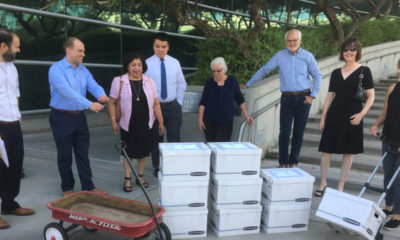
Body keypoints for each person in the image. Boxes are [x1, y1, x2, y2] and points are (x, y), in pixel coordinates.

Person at [241, 29, 321, 168]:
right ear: (285, 42)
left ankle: (293, 162)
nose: (292, 43)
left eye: (294, 40)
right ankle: (283, 162)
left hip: (304, 98)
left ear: (300, 41)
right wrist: (248, 84)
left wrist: (312, 96)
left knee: (299, 132)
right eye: (289, 41)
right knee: (284, 132)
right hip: (287, 99)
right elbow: (265, 69)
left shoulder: (308, 56)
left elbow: (317, 76)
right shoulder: (280, 56)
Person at [48, 37, 108, 197]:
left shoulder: (83, 70)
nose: (84, 54)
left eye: (83, 50)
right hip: (61, 117)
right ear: (69, 50)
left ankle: (88, 187)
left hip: (79, 117)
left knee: (83, 154)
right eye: (80, 50)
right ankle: (67, 188)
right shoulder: (56, 69)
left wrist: (101, 94)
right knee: (65, 155)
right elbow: (67, 92)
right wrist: (89, 104)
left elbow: (93, 85)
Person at [315, 37, 375, 196]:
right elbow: (329, 97)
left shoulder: (364, 71)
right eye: (346, 49)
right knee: (326, 152)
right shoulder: (335, 73)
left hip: (353, 116)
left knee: (348, 153)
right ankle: (322, 182)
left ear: (357, 51)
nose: (349, 52)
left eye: (352, 49)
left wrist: (361, 115)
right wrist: (323, 117)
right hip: (334, 115)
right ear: (342, 52)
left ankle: (341, 186)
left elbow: (371, 97)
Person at [108, 52, 164, 192]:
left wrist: (161, 121)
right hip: (128, 123)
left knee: (144, 151)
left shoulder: (149, 81)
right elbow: (112, 102)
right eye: (133, 65)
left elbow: (156, 103)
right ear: (127, 66)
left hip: (146, 123)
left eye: (139, 65)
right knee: (128, 152)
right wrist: (113, 120)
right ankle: (127, 178)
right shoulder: (119, 81)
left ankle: (140, 176)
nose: (136, 68)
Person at [0, 29, 35, 230]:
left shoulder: (12, 68)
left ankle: (9, 204)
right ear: (3, 46)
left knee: (14, 167)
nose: (19, 49)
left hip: (14, 124)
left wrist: (18, 114)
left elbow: (16, 92)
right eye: (16, 45)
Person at [145, 32, 187, 177]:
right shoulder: (147, 64)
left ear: (168, 47)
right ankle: (157, 166)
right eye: (157, 46)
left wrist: (179, 103)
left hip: (173, 106)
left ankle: (174, 166)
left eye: (163, 46)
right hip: (154, 108)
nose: (160, 49)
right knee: (155, 139)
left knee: (174, 138)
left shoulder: (175, 63)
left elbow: (181, 84)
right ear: (153, 46)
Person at [369, 59, 400, 230]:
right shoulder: (393, 88)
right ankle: (388, 207)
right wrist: (376, 124)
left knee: (399, 179)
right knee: (388, 174)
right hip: (388, 137)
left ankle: (398, 214)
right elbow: (385, 112)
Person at [198, 57, 253, 142]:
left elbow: (240, 99)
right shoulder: (209, 83)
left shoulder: (232, 81)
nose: (216, 73)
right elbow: (203, 103)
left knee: (222, 145)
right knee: (210, 145)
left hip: (226, 120)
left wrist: (246, 115)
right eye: (214, 71)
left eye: (218, 70)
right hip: (209, 120)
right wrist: (200, 120)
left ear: (224, 69)